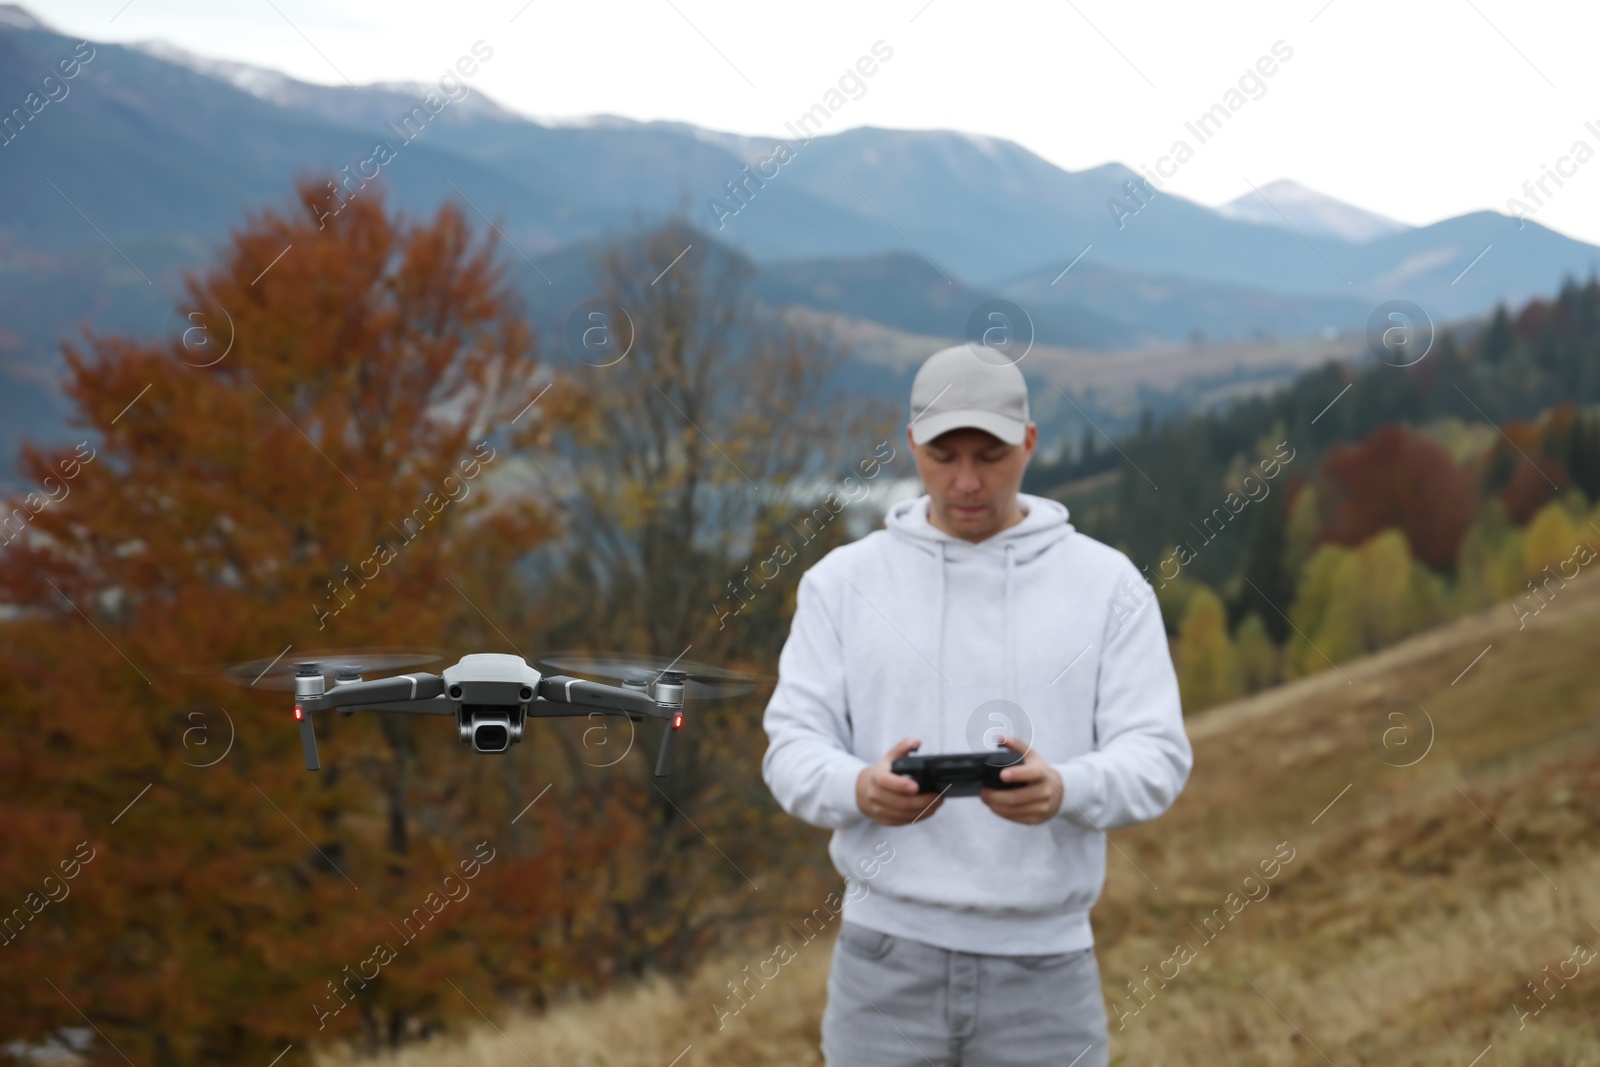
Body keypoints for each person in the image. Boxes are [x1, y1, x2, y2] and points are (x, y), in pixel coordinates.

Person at [760, 343, 1193, 1067]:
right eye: (942, 454)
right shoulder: (840, 583)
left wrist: (1066, 789)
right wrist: (859, 788)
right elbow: (791, 749)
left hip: (1045, 973)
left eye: (989, 454)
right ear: (911, 446)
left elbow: (1158, 755)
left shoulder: (1108, 585)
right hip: (882, 965)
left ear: (1029, 442)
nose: (965, 480)